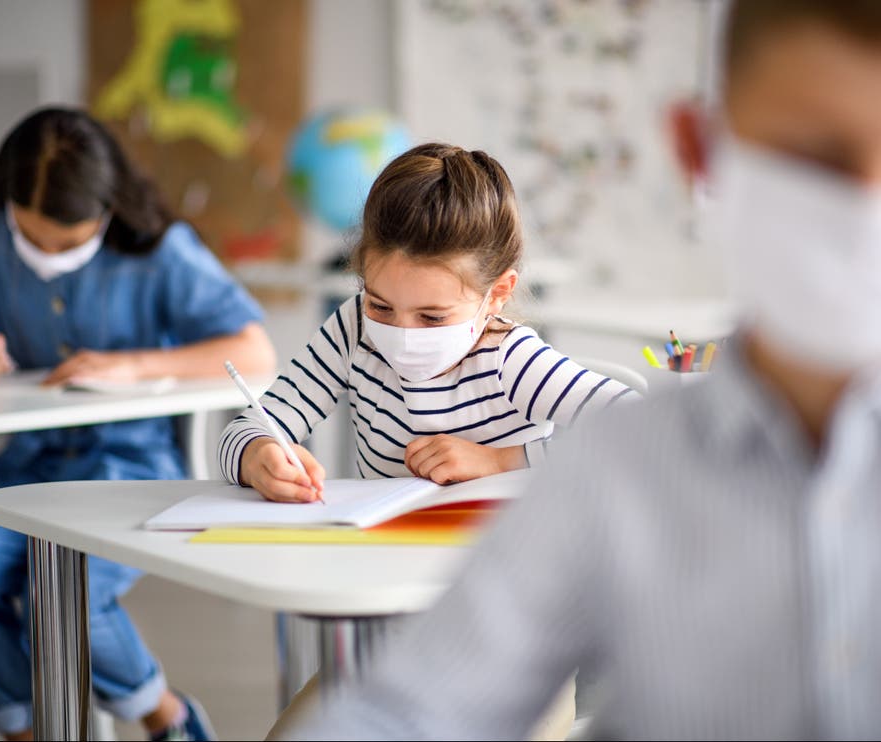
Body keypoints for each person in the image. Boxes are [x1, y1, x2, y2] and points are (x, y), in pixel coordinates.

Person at [277, 1, 881, 739]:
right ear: (701, 151)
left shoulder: (564, 413)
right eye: (811, 158)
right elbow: (417, 709)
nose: (863, 202)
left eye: (430, 315)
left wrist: (497, 455)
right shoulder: (619, 470)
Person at [0, 107, 275, 742]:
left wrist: (135, 364)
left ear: (107, 208)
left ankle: (168, 719)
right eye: (31, 239)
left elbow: (255, 351)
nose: (48, 257)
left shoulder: (160, 249)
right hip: (30, 466)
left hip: (132, 464)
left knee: (65, 598)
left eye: (69, 243)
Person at [218, 142, 635, 504]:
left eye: (432, 317)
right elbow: (249, 426)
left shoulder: (509, 359)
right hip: (386, 562)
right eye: (381, 306)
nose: (401, 335)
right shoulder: (352, 328)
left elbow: (642, 430)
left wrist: (501, 460)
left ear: (498, 293)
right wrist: (258, 455)